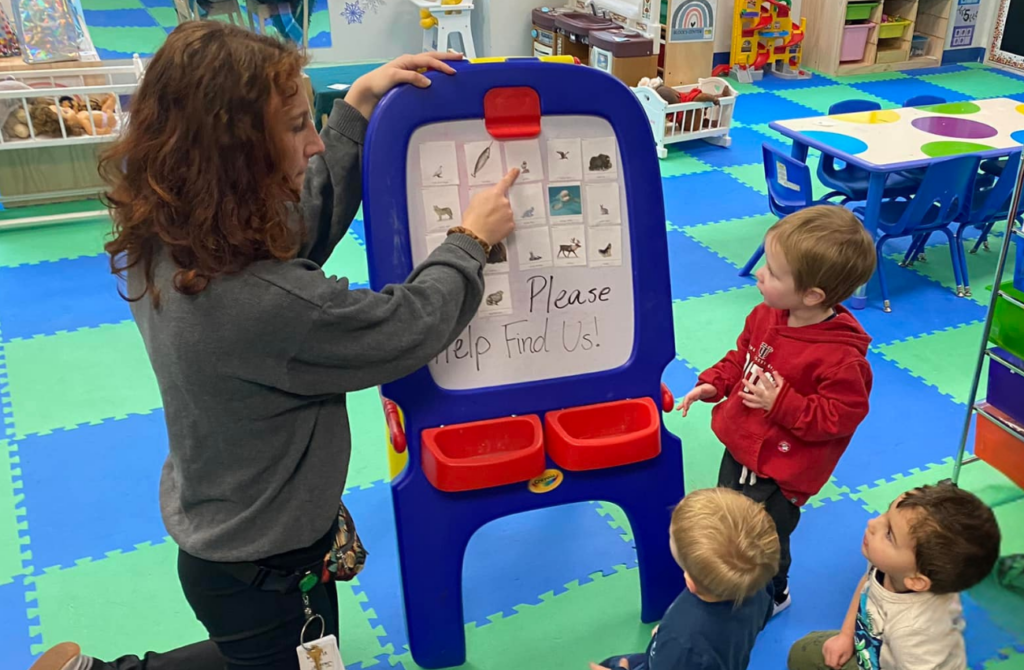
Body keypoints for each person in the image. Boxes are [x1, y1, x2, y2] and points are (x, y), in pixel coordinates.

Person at [30, 22, 518, 670]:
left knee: (281, 653)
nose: (316, 144)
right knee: (290, 656)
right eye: (296, 127)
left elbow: (296, 227)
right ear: (237, 156)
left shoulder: (165, 237)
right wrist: (469, 242)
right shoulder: (265, 309)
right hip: (266, 562)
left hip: (226, 535)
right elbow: (407, 326)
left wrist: (356, 111)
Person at [677, 206, 876, 616]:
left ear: (813, 295)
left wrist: (780, 403)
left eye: (774, 271)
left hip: (782, 470)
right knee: (730, 519)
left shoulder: (841, 359)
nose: (760, 274)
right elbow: (742, 357)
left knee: (766, 539)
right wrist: (715, 382)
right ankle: (730, 574)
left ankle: (773, 594)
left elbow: (839, 418)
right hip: (740, 446)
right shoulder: (766, 314)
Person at [788, 483, 1002, 670]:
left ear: (917, 580)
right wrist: (846, 636)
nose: (873, 524)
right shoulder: (891, 565)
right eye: (885, 515)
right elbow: (867, 586)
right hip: (875, 650)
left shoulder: (916, 631)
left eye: (889, 534)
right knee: (801, 653)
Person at [591, 488, 780, 670]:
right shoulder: (759, 584)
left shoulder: (682, 644)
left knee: (610, 663)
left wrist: (672, 639)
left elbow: (684, 648)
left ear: (690, 581)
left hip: (676, 655)